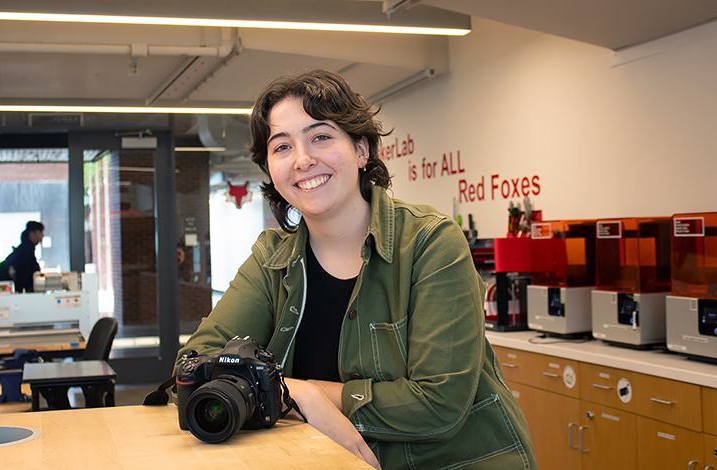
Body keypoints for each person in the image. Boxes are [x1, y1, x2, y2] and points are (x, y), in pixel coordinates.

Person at [175, 70, 536, 470]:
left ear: (362, 150)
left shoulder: (430, 242)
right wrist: (297, 394)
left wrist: (308, 394)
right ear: (271, 171)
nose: (303, 160)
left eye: (321, 137)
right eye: (281, 147)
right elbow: (191, 368)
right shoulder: (270, 261)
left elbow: (440, 405)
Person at [0, 221, 44, 293]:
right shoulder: (27, 251)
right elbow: (27, 274)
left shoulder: (22, 249)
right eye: (40, 232)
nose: (42, 235)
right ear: (31, 234)